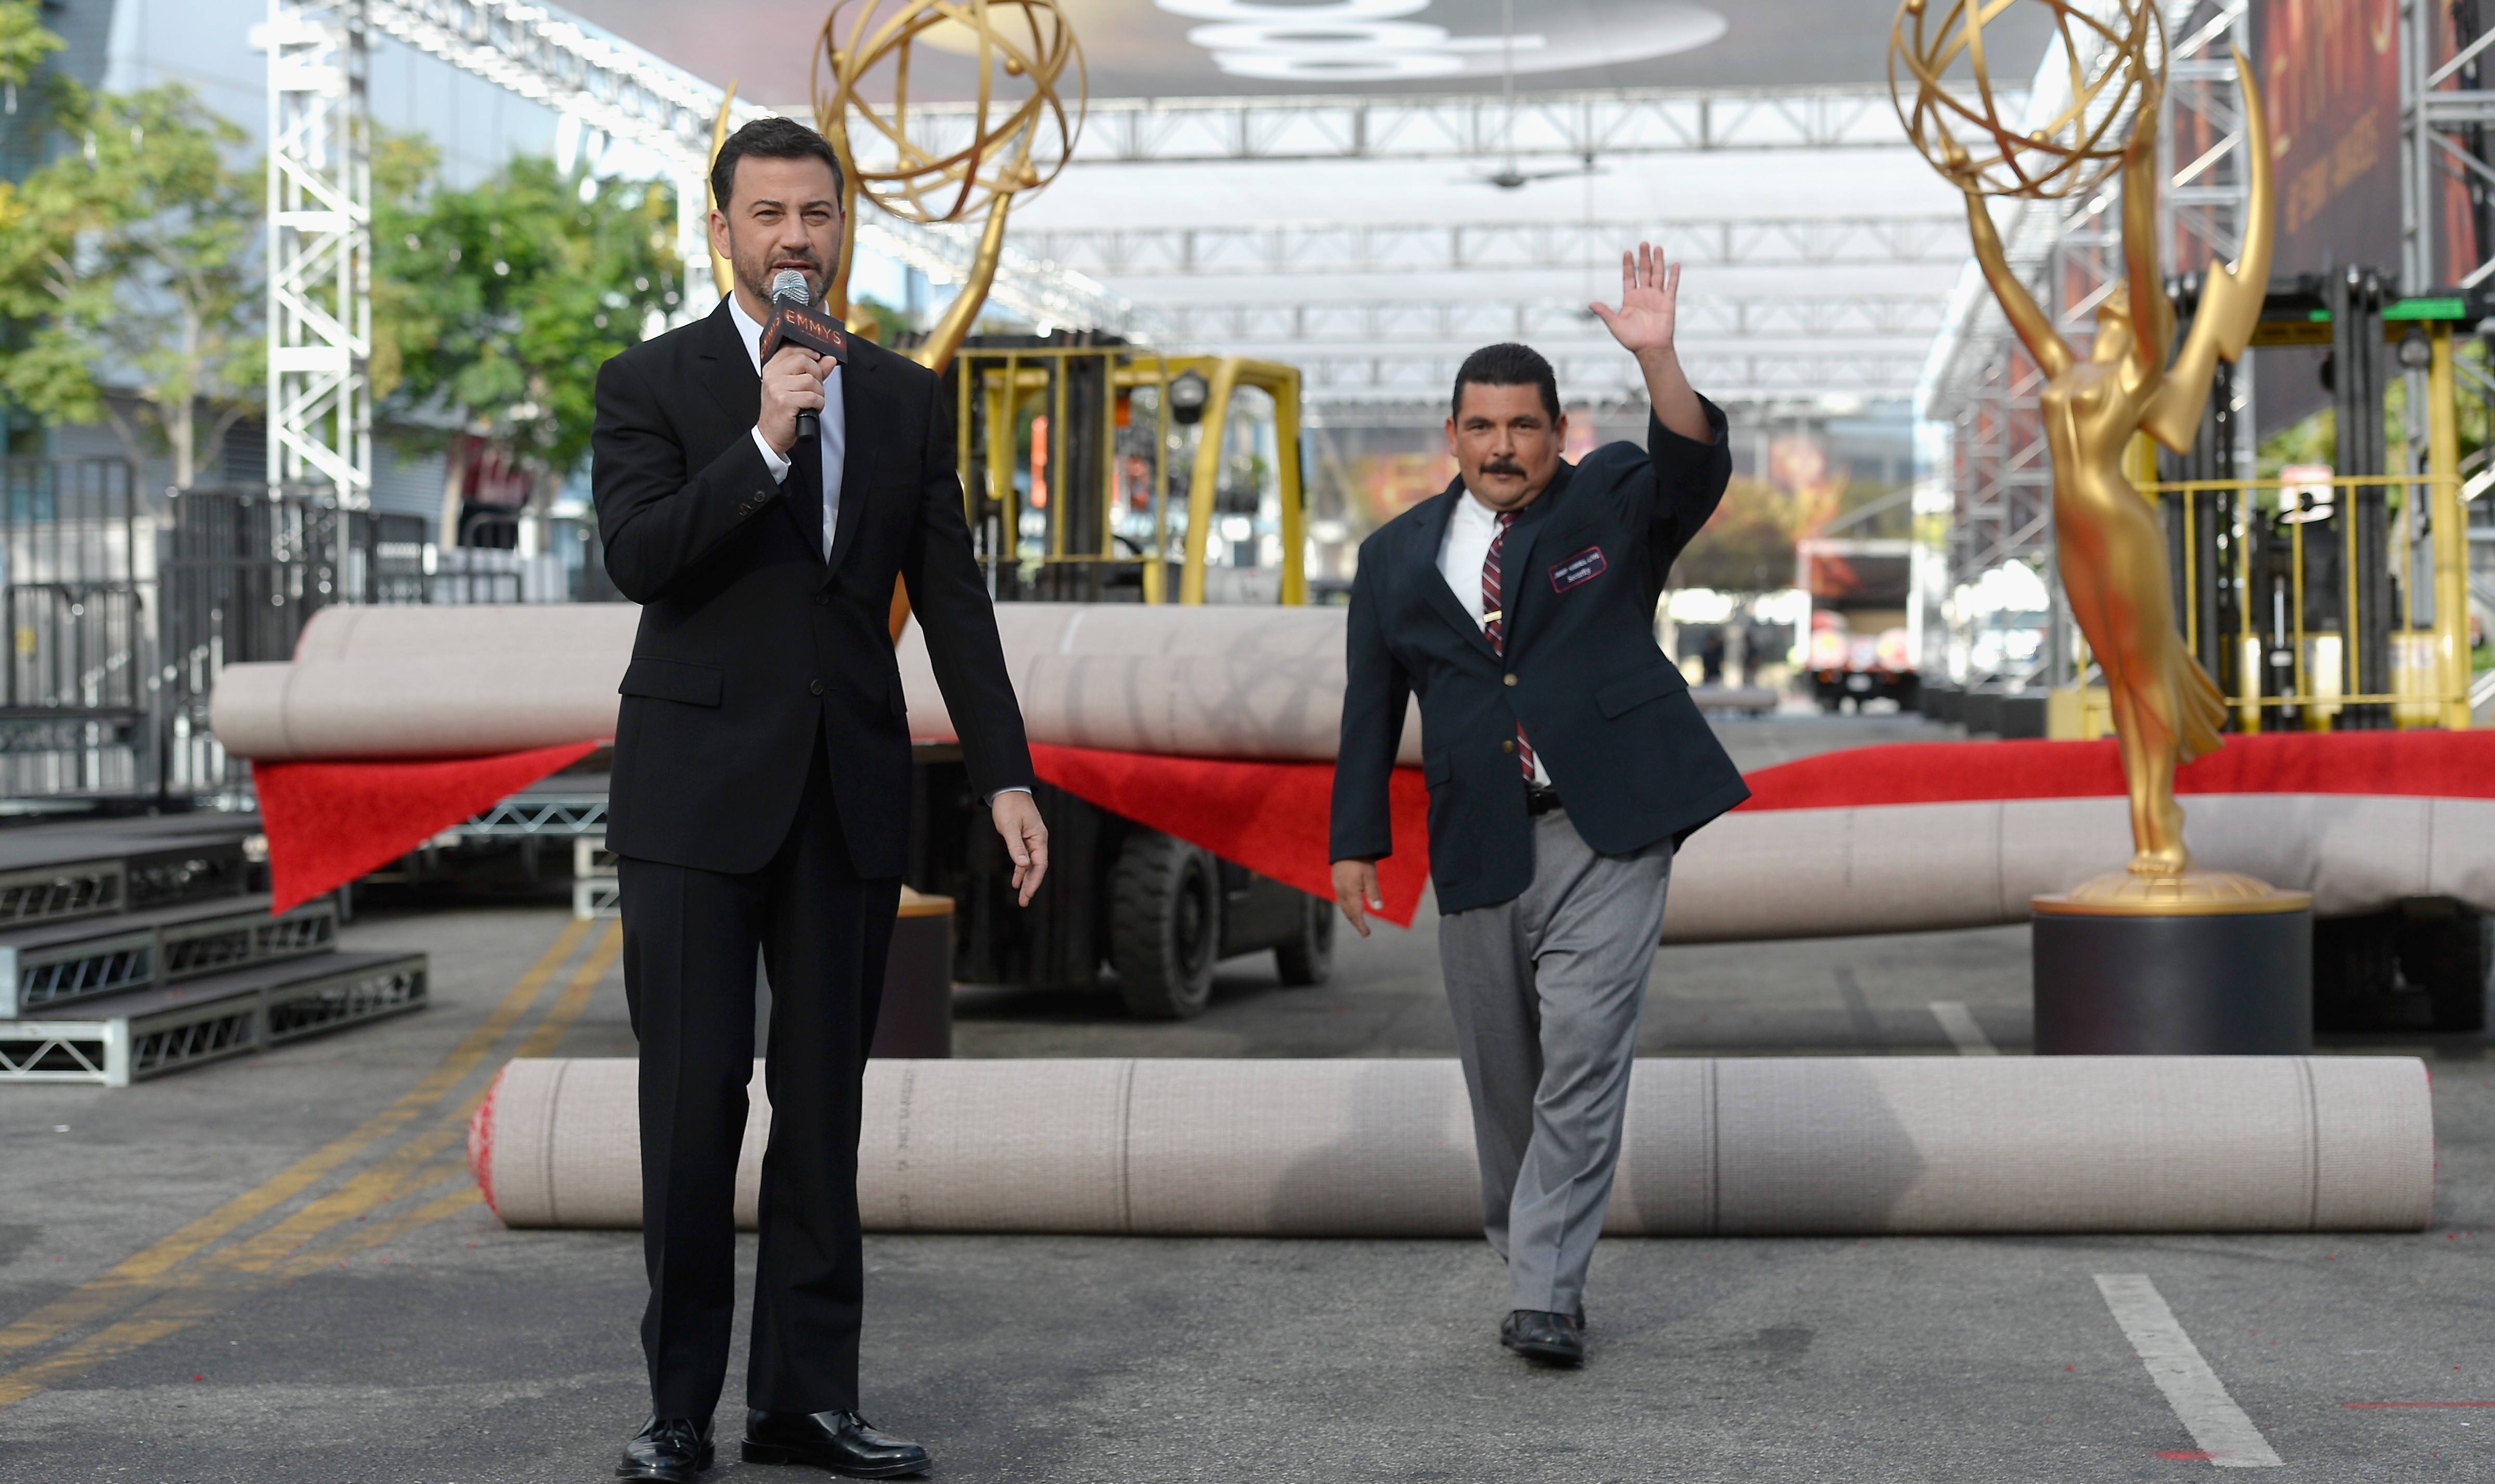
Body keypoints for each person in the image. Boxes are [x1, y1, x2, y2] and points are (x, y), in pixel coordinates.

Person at [591, 115, 1048, 1482]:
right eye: (769, 213)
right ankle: (677, 1408)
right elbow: (639, 557)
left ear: (843, 229)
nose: (796, 235)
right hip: (690, 803)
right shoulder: (652, 381)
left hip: (846, 794)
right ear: (720, 229)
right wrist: (762, 439)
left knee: (823, 1107)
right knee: (688, 1105)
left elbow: (951, 598)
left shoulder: (904, 396)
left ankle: (805, 1398)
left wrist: (1009, 768)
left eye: (817, 213)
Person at [1328, 245, 1748, 1368]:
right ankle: (1527, 1243)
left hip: (1611, 823)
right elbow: (1369, 706)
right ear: (1451, 435)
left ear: (1556, 431)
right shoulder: (1392, 557)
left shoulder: (1609, 495)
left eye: (1522, 425)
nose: (1501, 445)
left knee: (1582, 1052)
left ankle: (1545, 1289)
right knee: (1500, 1072)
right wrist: (1354, 843)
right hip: (1478, 835)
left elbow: (1690, 464)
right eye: (1480, 425)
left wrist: (1658, 356)